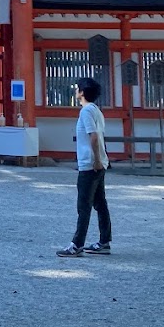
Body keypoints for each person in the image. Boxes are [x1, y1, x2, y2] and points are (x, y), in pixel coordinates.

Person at [58, 77, 112, 257]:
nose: (76, 91)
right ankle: (104, 241)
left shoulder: (86, 111)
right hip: (98, 162)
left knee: (84, 205)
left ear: (82, 92)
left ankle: (77, 244)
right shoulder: (96, 110)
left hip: (90, 164)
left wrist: (95, 159)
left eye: (78, 89)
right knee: (100, 203)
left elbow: (94, 137)